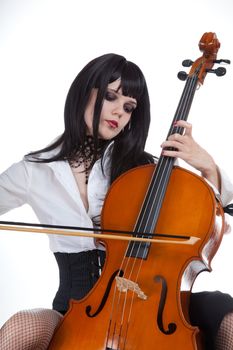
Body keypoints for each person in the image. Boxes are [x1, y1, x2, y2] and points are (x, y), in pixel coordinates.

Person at [0, 53, 233, 350]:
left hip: (155, 305)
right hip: (76, 308)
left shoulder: (144, 172)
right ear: (85, 92)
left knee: (225, 314)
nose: (119, 113)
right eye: (111, 96)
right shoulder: (33, 170)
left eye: (129, 107)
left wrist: (208, 167)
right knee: (22, 327)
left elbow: (215, 222)